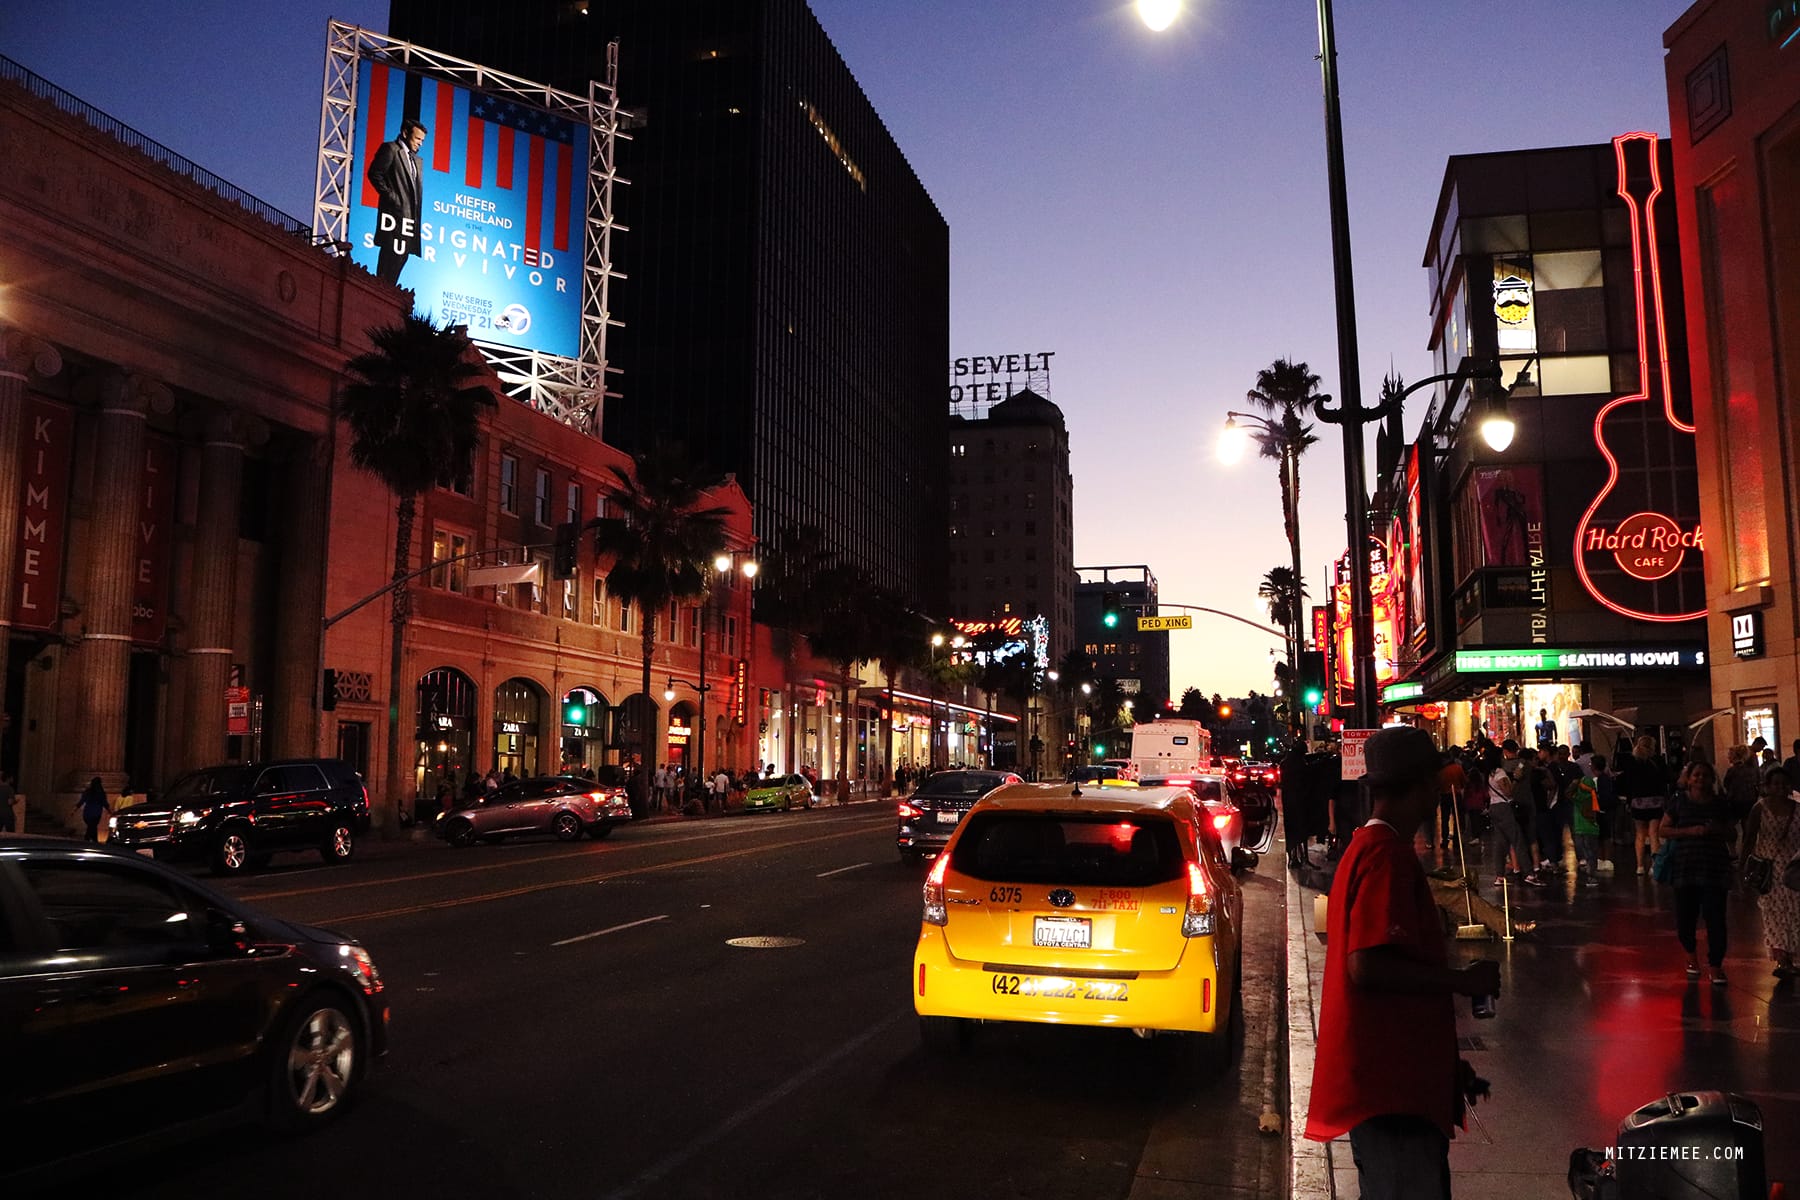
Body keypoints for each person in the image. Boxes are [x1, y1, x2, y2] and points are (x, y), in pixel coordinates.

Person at [1305, 726, 1501, 1199]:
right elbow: (1367, 966)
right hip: (1390, 1090)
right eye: (1435, 785)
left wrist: (1442, 1066)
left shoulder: (1368, 849)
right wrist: (1462, 980)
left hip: (1394, 1077)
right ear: (1420, 788)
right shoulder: (1385, 855)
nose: (1439, 796)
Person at [1659, 760, 1734, 984]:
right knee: (1686, 918)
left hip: (1715, 868)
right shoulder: (1679, 802)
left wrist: (1717, 830)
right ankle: (1690, 955)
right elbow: (1664, 829)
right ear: (1688, 779)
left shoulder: (1720, 804)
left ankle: (1715, 965)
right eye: (1696, 775)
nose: (1700, 779)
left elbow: (1732, 834)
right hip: (1686, 867)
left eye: (1705, 775)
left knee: (1716, 919)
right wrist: (1690, 831)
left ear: (1712, 779)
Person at [1742, 766, 1800, 980]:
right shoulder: (1760, 809)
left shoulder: (1798, 809)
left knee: (1795, 913)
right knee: (1773, 914)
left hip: (1794, 870)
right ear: (1767, 786)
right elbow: (1749, 838)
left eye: (1784, 784)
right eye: (1775, 783)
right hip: (1769, 871)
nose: (1780, 787)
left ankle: (1792, 956)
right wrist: (1744, 867)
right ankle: (1782, 958)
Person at [367, 117, 427, 285]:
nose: (420, 143)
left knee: (402, 257)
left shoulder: (416, 161)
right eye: (417, 139)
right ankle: (381, 295)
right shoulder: (390, 149)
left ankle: (389, 295)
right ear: (405, 133)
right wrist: (392, 198)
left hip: (409, 221)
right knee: (389, 259)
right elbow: (375, 174)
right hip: (393, 218)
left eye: (422, 140)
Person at [1486, 741, 1540, 887]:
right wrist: (1515, 779)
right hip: (1504, 808)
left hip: (1493, 807)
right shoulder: (1500, 773)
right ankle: (1529, 873)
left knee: (1500, 843)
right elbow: (1508, 791)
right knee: (1517, 839)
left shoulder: (1489, 774)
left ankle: (1499, 875)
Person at [1618, 735, 1669, 875]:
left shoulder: (1632, 761)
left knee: (1640, 833)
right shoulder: (1657, 760)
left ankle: (1640, 866)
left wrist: (1629, 800)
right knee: (1654, 834)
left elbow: (1627, 783)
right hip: (1655, 800)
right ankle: (1654, 865)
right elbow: (1665, 779)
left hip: (1637, 801)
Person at [75, 776, 110, 842]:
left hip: (87, 813)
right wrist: (110, 811)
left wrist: (74, 810)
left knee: (91, 827)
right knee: (92, 827)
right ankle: (89, 839)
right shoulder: (101, 793)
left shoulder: (87, 792)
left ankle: (93, 840)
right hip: (96, 813)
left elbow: (81, 801)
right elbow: (104, 803)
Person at [0, 770, 15, 834]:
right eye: (12, 777)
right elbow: (10, 802)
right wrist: (15, 801)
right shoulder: (9, 789)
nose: (13, 779)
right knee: (11, 834)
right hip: (7, 814)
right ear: (8, 778)